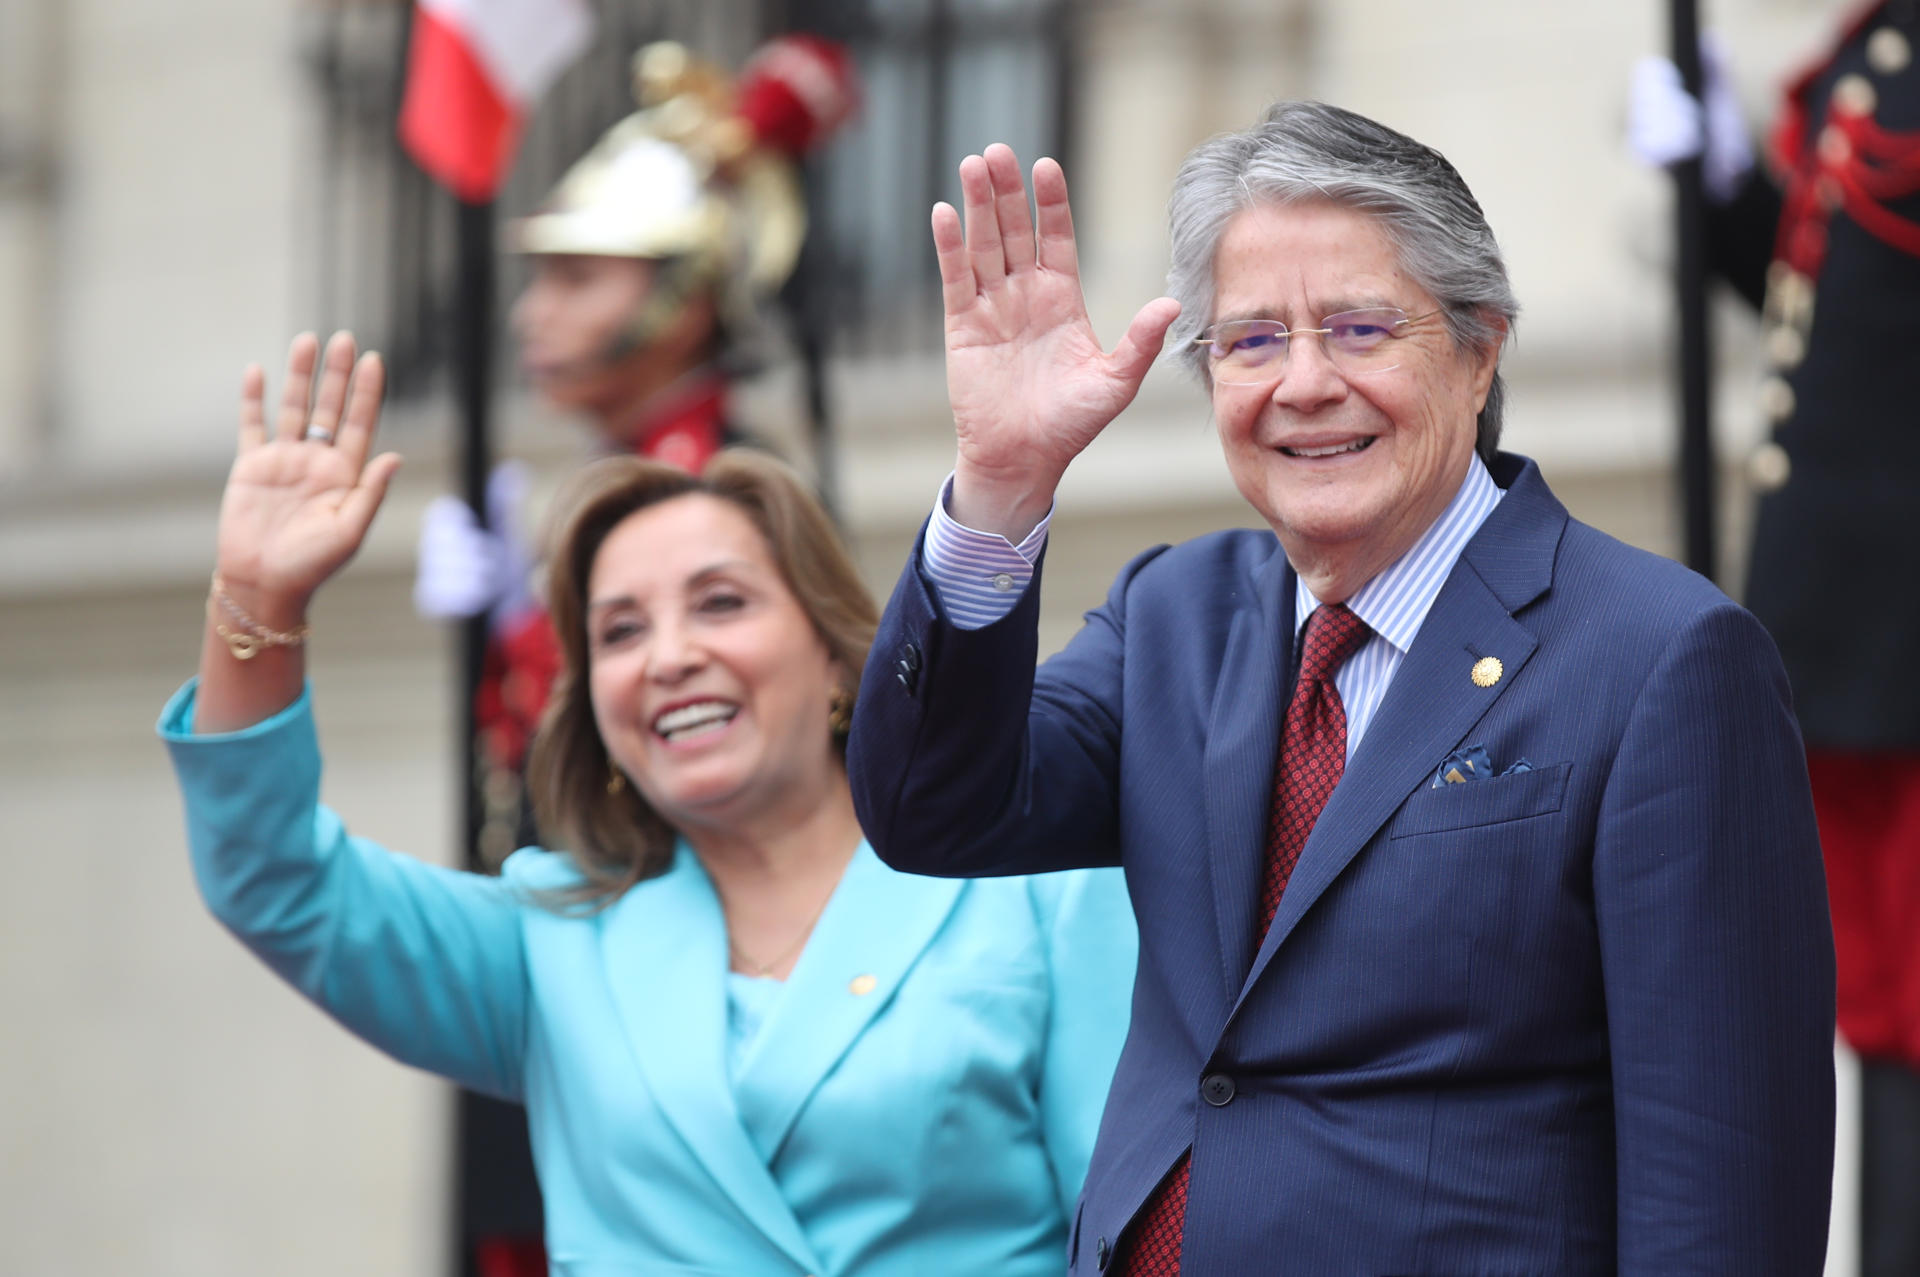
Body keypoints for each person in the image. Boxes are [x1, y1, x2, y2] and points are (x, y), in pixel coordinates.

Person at [847, 102, 1837, 1274]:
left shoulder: (1661, 655)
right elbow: (933, 808)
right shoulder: (1176, 613)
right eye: (1252, 340)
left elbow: (1721, 1170)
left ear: (1481, 347)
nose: (1303, 383)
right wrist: (1001, 487)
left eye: (1360, 329)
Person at [161, 331, 1136, 1276]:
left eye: (721, 603)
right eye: (620, 631)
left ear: (840, 659)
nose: (669, 657)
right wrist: (257, 599)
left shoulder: (1035, 888)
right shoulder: (551, 937)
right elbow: (273, 875)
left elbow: (1126, 1226)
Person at [415, 35, 860, 858]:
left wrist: (522, 629)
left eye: (577, 279)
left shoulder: (724, 480)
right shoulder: (617, 466)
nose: (530, 314)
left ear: (684, 298)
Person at [1630, 13, 1920, 1272]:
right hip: (1843, 614)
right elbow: (1818, 300)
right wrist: (1725, 180)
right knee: (1876, 1002)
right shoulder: (1869, 47)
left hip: (1899, 619)